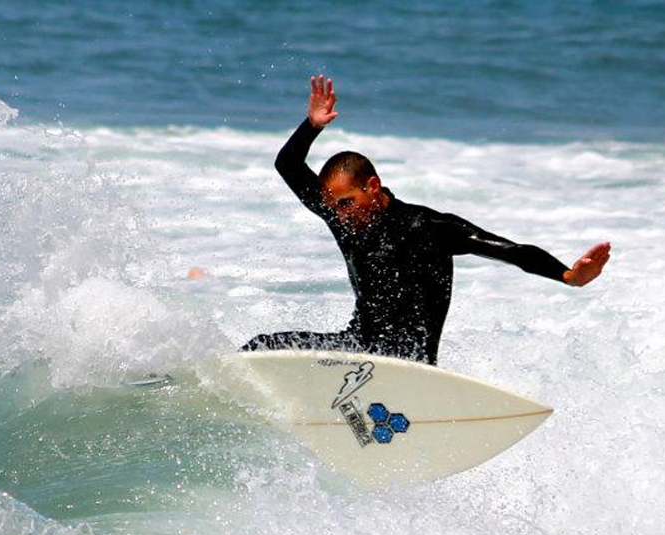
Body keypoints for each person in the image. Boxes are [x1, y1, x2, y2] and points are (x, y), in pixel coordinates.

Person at [240, 75, 611, 365]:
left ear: (372, 186)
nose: (339, 214)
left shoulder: (426, 227)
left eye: (347, 203)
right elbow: (287, 164)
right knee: (261, 348)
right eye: (335, 206)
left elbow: (510, 251)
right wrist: (311, 126)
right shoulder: (343, 218)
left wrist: (568, 276)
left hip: (411, 364)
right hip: (358, 348)